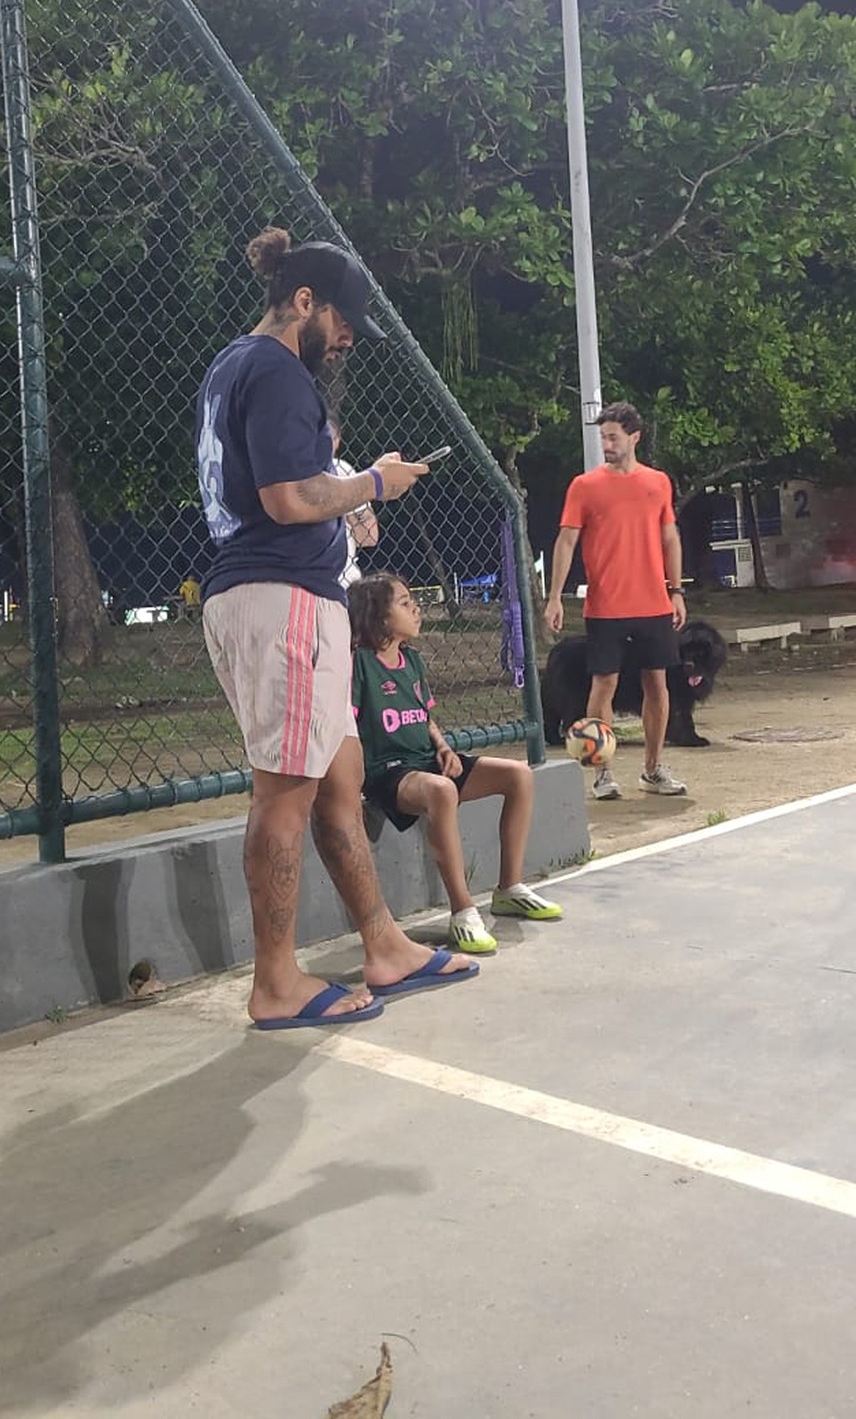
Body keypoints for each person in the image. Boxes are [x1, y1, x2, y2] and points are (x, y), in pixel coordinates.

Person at [196, 225, 478, 1030]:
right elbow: (288, 498)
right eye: (344, 319)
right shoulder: (277, 368)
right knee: (284, 796)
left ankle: (383, 942)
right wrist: (372, 485)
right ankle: (276, 983)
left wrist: (357, 481)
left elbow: (286, 483)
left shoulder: (235, 366)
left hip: (288, 596)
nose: (350, 336)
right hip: (278, 595)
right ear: (304, 301)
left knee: (339, 784)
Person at [349, 571, 563, 954]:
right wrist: (350, 787)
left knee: (518, 775)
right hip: (388, 770)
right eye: (403, 603)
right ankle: (462, 911)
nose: (415, 608)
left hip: (425, 760)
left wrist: (444, 747)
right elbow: (346, 725)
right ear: (379, 618)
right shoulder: (360, 665)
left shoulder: (411, 660)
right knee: (442, 790)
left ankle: (509, 888)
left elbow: (424, 715)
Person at [543, 400, 687, 800]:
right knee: (603, 683)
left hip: (654, 604)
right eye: (602, 436)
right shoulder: (585, 486)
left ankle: (653, 769)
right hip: (607, 607)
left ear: (634, 437)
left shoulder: (657, 482)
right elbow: (567, 539)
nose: (606, 443)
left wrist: (676, 591)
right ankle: (603, 771)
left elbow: (669, 537)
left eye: (613, 436)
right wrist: (555, 597)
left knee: (656, 684)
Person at [328, 417, 379, 589]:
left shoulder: (341, 469)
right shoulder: (340, 470)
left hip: (343, 580)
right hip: (342, 579)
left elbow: (369, 537)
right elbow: (368, 535)